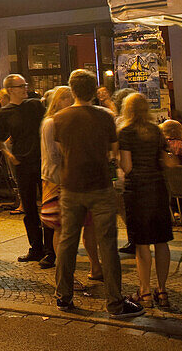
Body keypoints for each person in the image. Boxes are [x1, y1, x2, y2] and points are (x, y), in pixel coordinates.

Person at [53, 69, 144, 318]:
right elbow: (113, 150)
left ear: (72, 90)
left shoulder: (59, 119)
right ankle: (115, 302)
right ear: (94, 90)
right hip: (101, 185)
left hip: (71, 186)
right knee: (107, 245)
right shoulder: (105, 117)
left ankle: (63, 296)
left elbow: (61, 150)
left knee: (67, 242)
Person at [117, 93, 174, 308]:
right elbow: (164, 159)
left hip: (137, 191)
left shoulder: (125, 132)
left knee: (142, 244)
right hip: (158, 188)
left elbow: (127, 166)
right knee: (161, 241)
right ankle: (163, 290)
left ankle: (145, 292)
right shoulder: (156, 131)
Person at [41, 86, 103, 282]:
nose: (70, 100)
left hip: (78, 180)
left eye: (72, 96)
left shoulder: (72, 120)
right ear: (57, 101)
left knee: (89, 225)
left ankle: (96, 266)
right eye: (66, 97)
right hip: (57, 181)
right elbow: (54, 155)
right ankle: (67, 275)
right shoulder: (52, 123)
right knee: (62, 228)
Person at [0, 74, 52, 265]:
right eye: (21, 86)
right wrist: (10, 156)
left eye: (25, 85)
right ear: (11, 89)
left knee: (47, 205)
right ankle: (35, 248)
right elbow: (0, 140)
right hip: (22, 164)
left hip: (41, 161)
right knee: (29, 207)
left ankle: (50, 249)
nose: (25, 88)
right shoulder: (4, 113)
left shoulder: (35, 105)